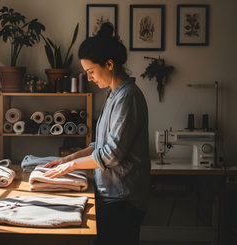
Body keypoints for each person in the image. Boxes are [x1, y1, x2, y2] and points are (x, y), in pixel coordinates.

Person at [42, 22, 150, 245]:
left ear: (109, 64)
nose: (88, 78)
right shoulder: (113, 96)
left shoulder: (127, 97)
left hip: (122, 200)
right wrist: (69, 158)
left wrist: (71, 167)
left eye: (90, 71)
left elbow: (111, 154)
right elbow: (99, 144)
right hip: (111, 196)